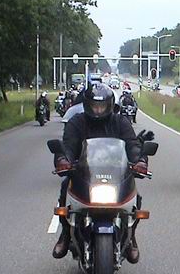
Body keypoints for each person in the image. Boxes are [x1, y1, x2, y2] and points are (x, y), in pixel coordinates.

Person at [52, 83, 149, 263]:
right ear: (87, 105)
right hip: (84, 172)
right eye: (94, 106)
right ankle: (65, 233)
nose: (98, 110)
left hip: (116, 173)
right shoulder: (77, 122)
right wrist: (63, 160)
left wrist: (140, 161)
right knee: (65, 186)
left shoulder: (120, 122)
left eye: (102, 106)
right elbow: (68, 146)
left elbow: (132, 144)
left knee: (136, 197)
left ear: (109, 105)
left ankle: (131, 236)